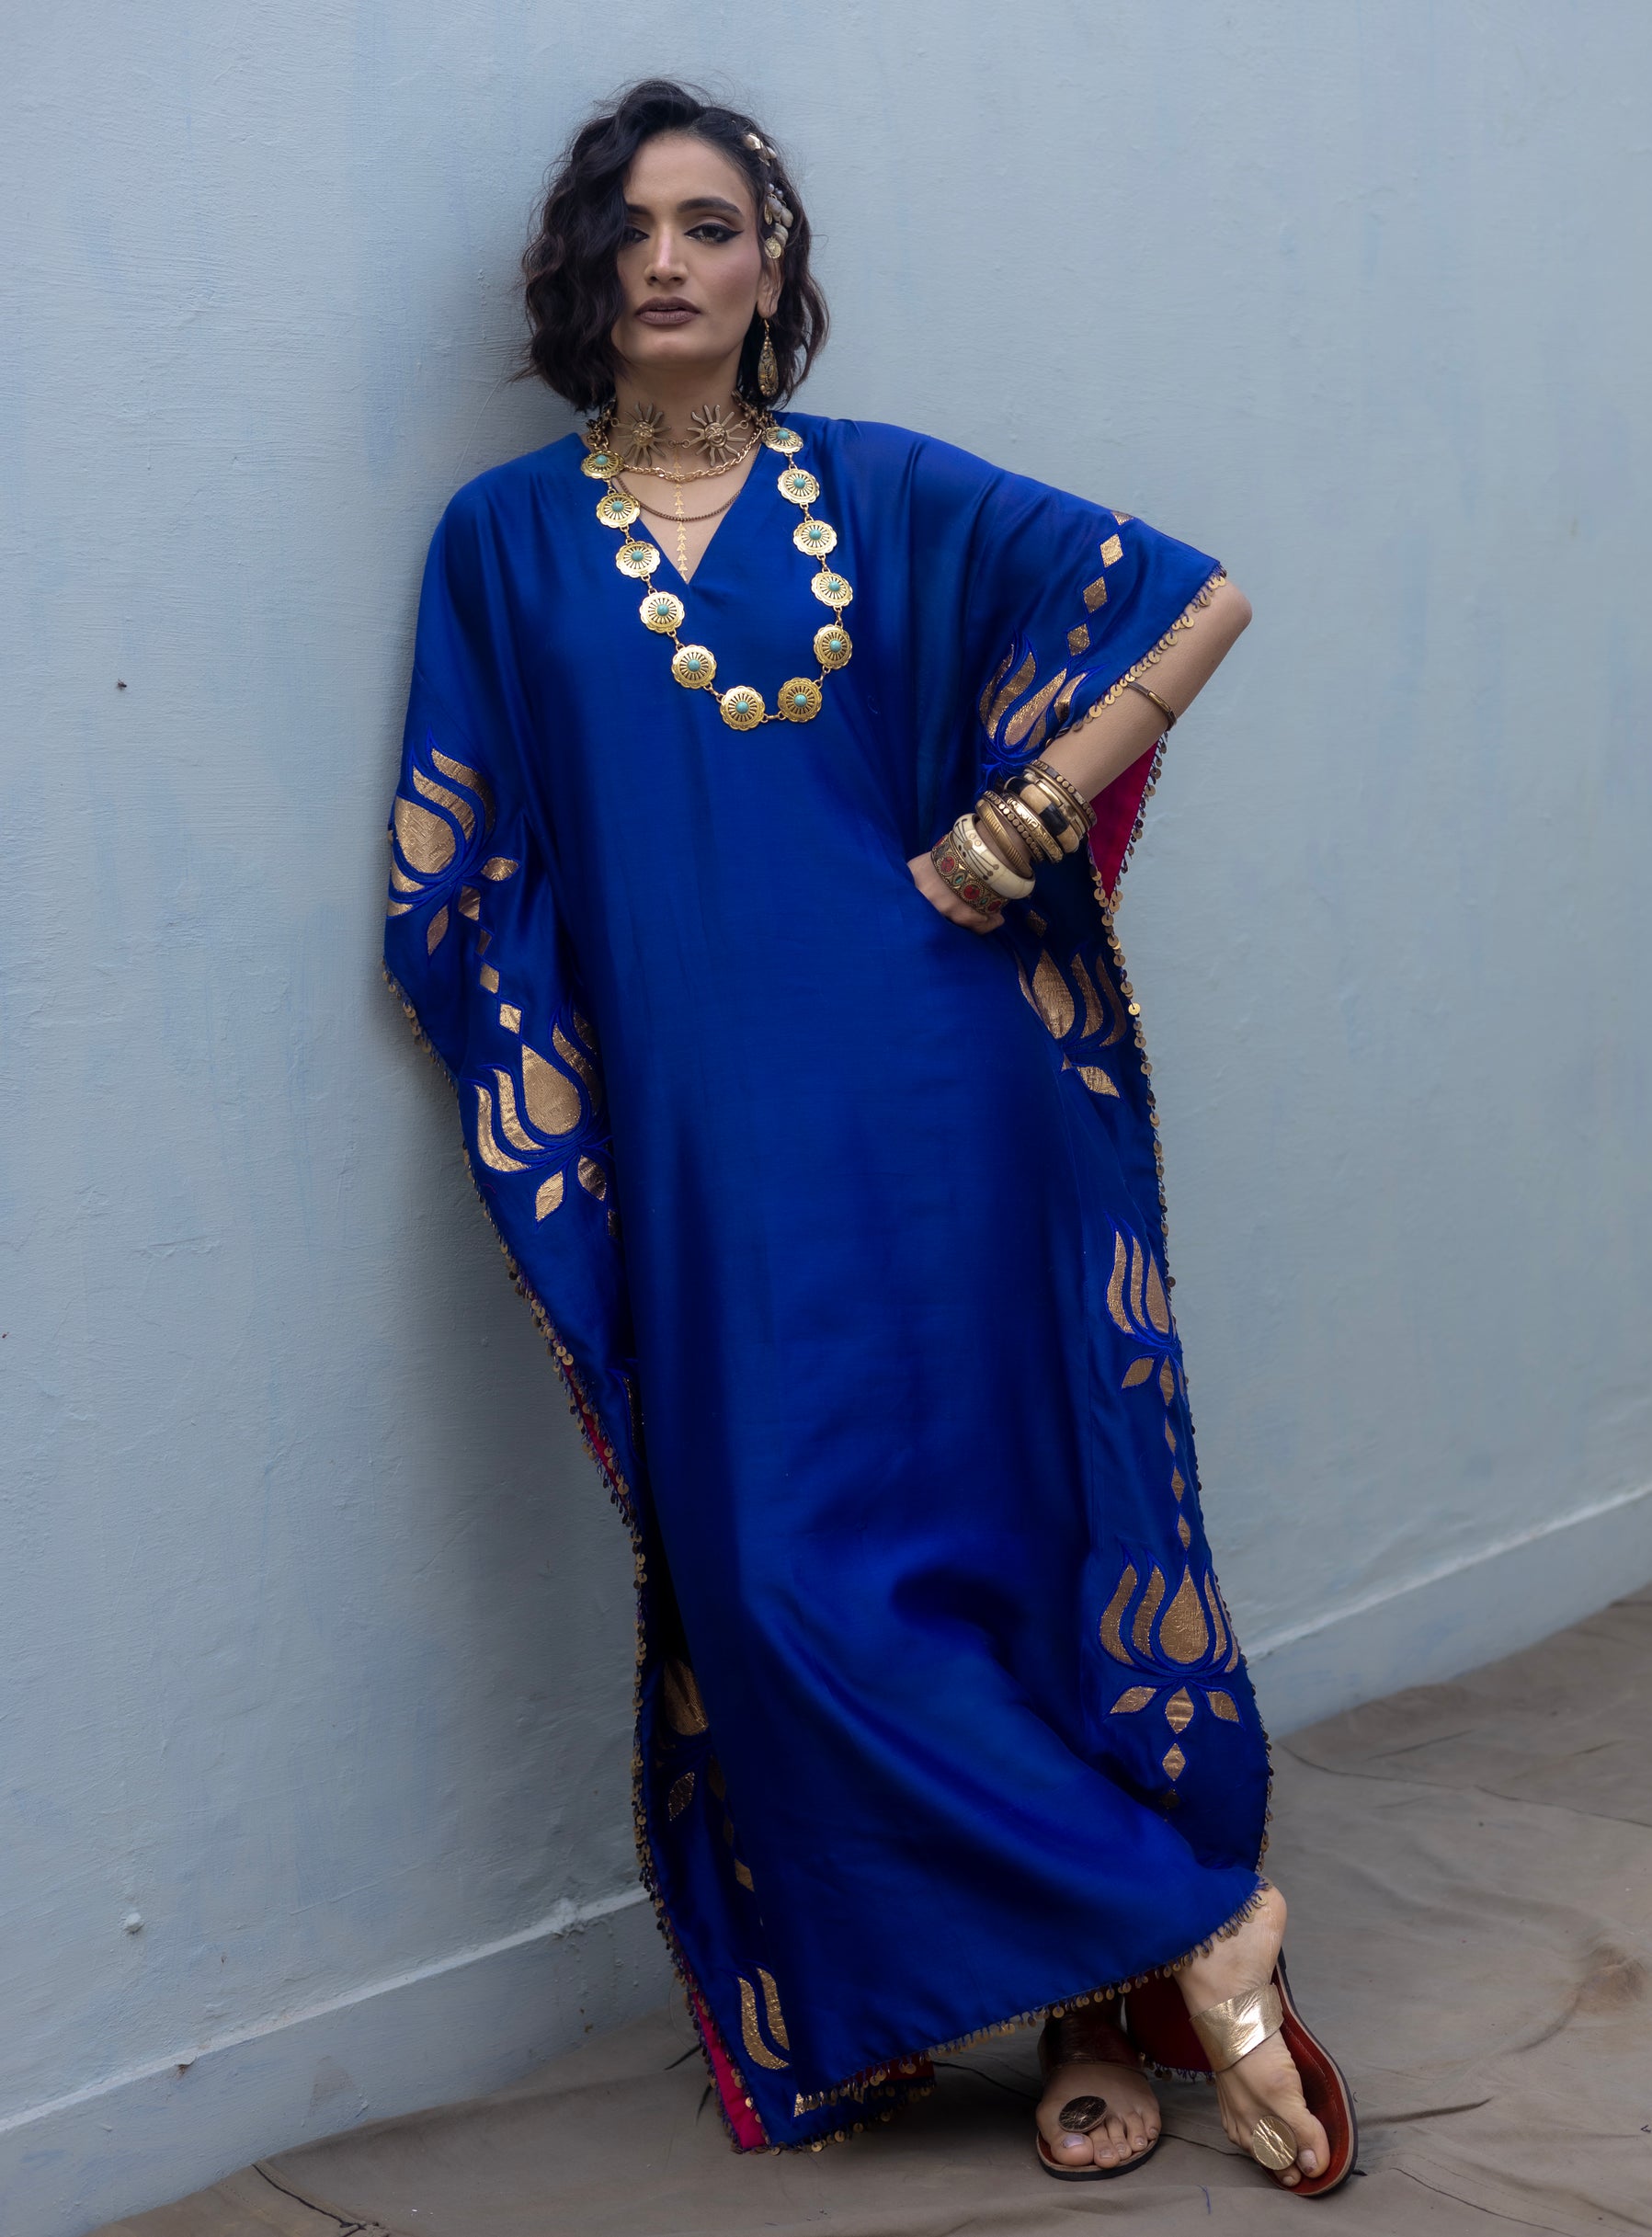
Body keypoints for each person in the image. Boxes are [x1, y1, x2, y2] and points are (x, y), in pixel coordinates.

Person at [382, 76, 1355, 2195]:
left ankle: (1094, 2007)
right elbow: (457, 879)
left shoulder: (881, 487)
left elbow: (1188, 596)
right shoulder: (505, 539)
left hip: (947, 1099)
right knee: (776, 1582)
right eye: (630, 226)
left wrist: (1025, 816)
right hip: (711, 1149)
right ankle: (1192, 1924)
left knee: (1021, 1536)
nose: (666, 259)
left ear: (772, 267)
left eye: (711, 224)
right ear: (578, 271)